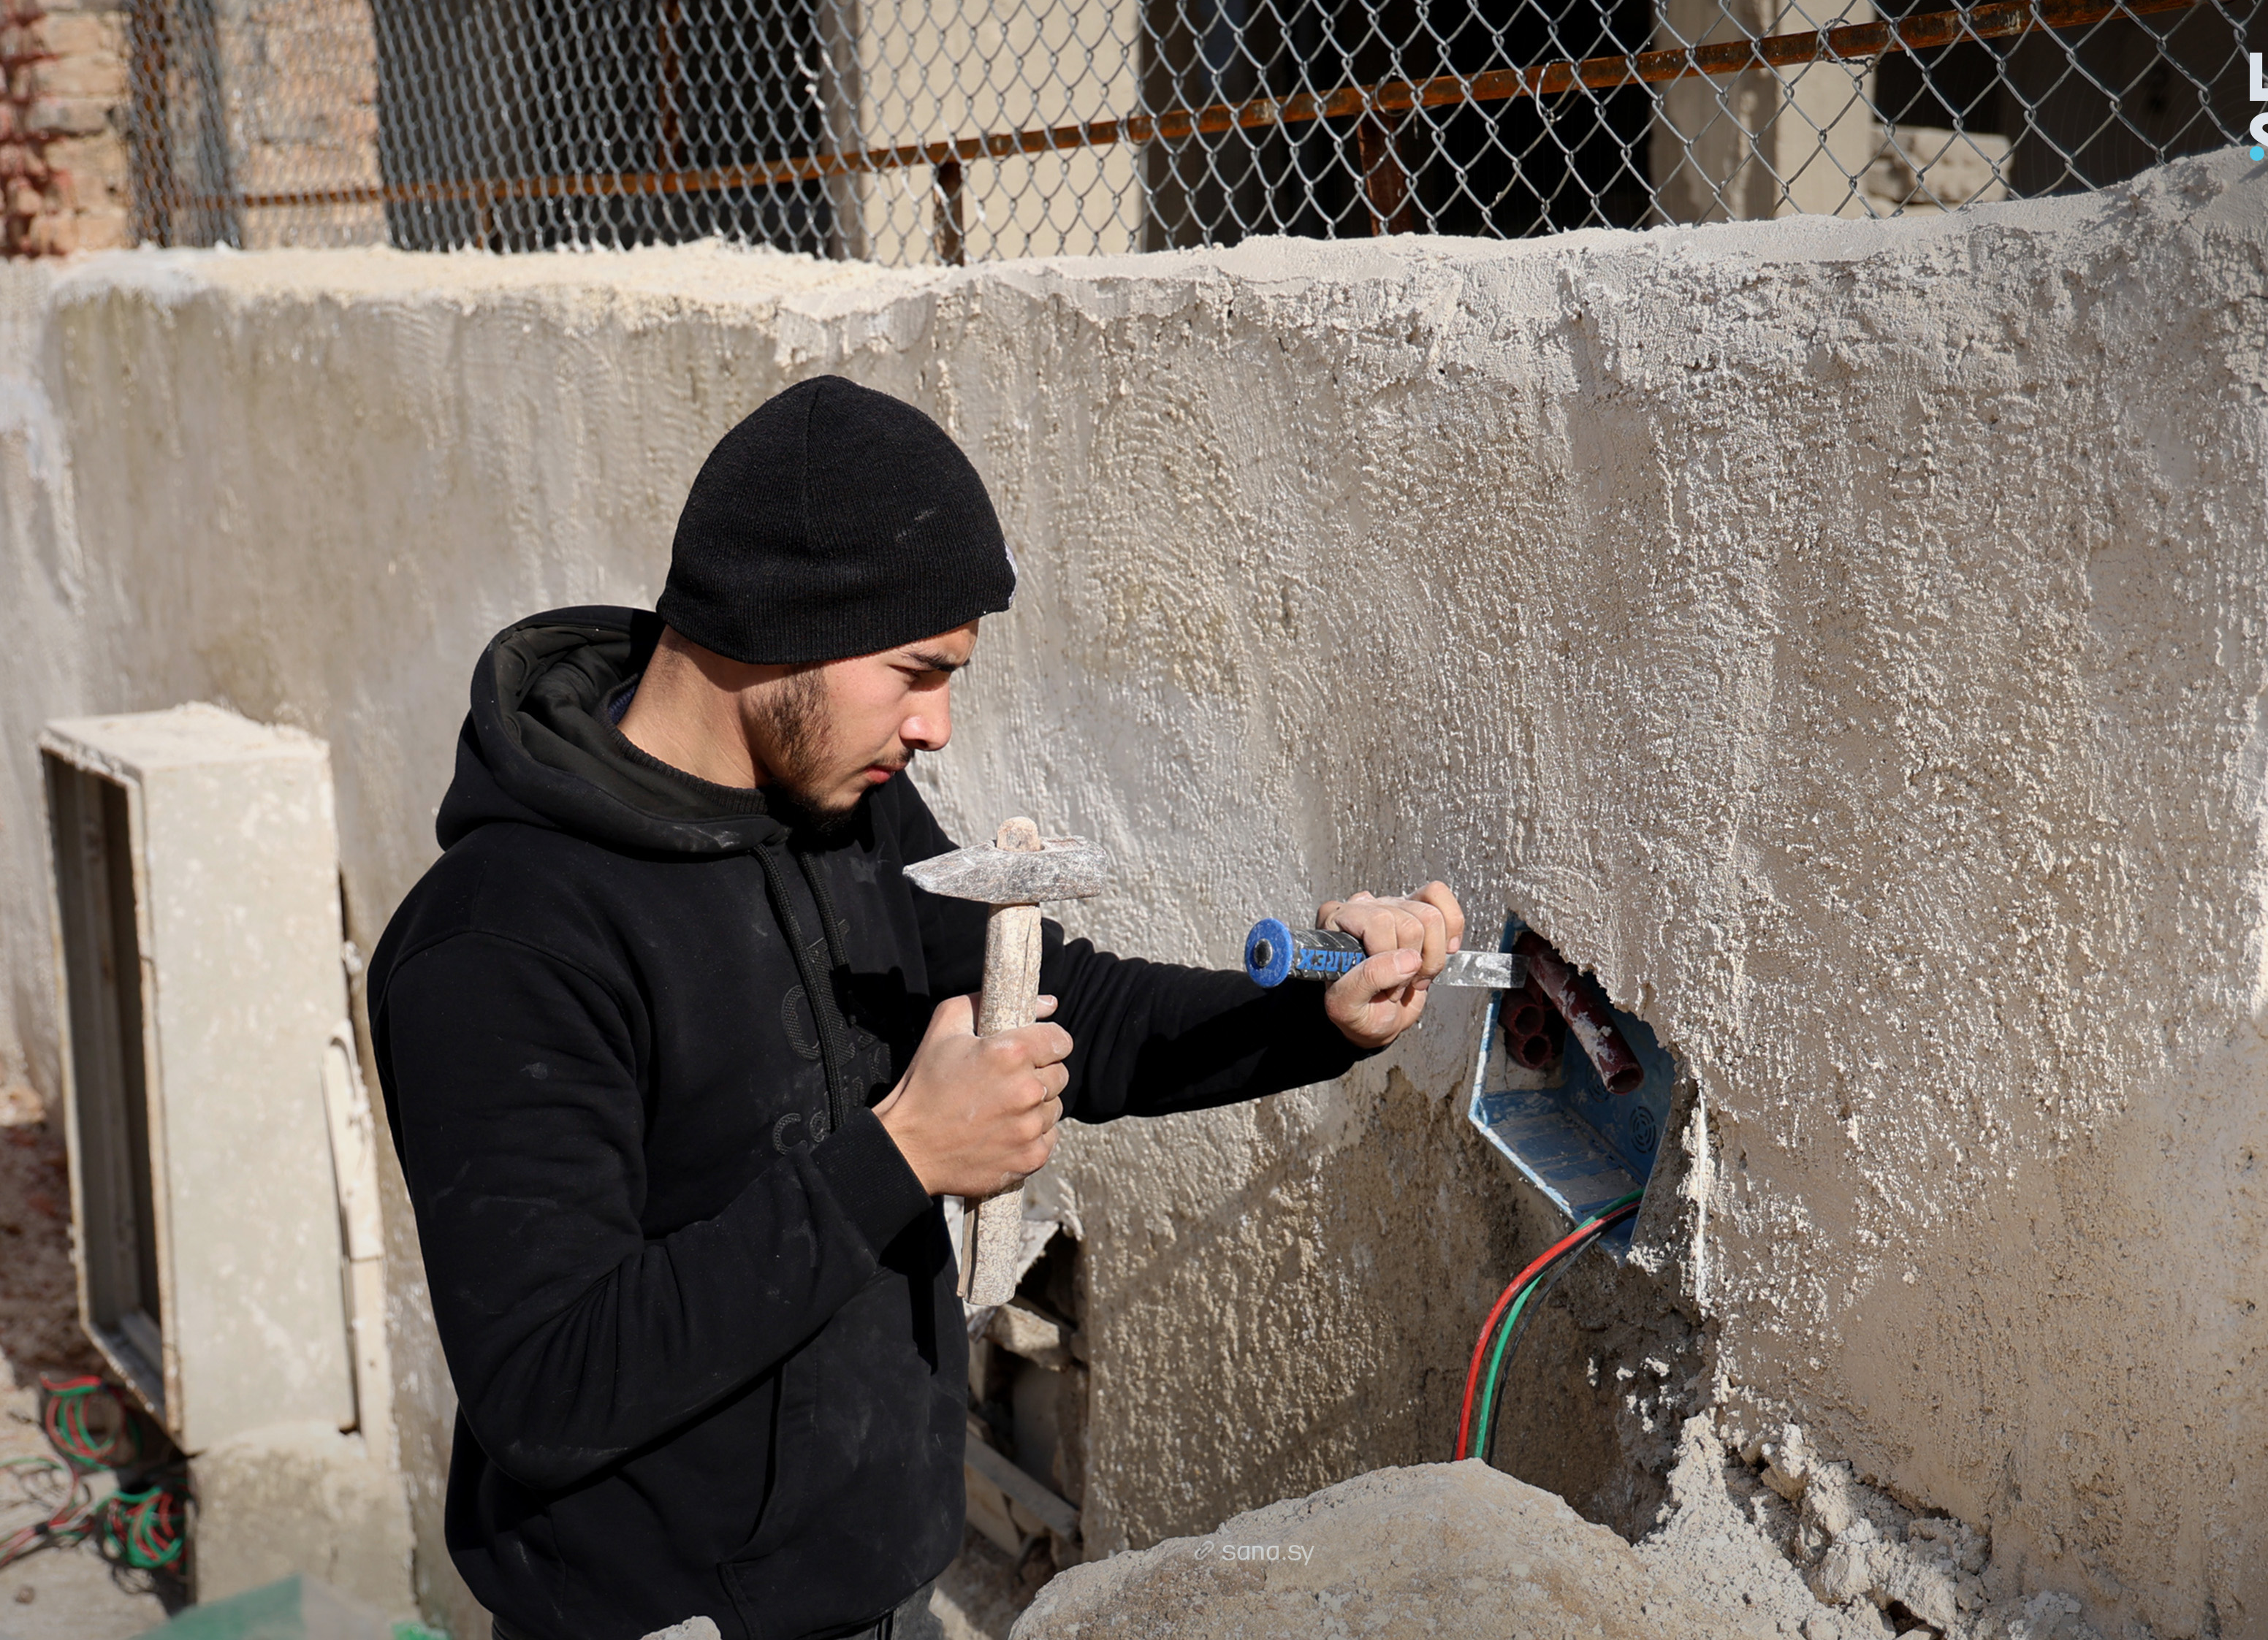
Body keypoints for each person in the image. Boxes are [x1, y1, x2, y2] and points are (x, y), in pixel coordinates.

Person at [367, 375, 1461, 1640]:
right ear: (780, 621)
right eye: (915, 672)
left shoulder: (842, 806)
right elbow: (548, 1385)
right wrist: (901, 1155)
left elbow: (1067, 1007)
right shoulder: (500, 940)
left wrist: (1317, 1015)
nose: (936, 727)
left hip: (879, 1594)